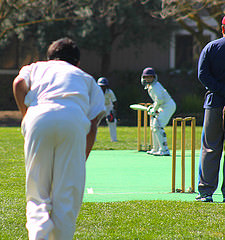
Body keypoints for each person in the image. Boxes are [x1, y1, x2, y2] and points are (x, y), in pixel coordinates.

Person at [13, 37, 106, 240]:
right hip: (73, 121)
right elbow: (93, 121)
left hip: (39, 117)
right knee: (65, 196)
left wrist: (26, 115)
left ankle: (38, 235)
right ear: (77, 62)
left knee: (38, 192)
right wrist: (82, 158)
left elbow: (19, 83)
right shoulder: (85, 77)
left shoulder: (36, 67)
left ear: (50, 58)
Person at [196, 16, 225, 203]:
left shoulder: (211, 47)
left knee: (211, 148)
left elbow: (202, 75)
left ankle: (206, 192)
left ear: (222, 28)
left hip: (214, 103)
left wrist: (220, 89)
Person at [141, 67, 176, 156]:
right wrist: (153, 107)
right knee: (153, 126)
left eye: (150, 77)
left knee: (158, 126)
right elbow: (158, 100)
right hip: (163, 106)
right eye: (146, 77)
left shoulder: (155, 86)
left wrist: (154, 109)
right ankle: (155, 148)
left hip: (168, 106)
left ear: (154, 77)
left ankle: (164, 150)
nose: (148, 79)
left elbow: (159, 100)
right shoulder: (151, 86)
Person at [97, 77, 118, 142]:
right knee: (95, 122)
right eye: (101, 86)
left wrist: (113, 112)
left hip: (108, 106)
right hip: (99, 107)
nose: (102, 88)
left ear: (106, 86)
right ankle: (93, 139)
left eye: (104, 86)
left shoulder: (109, 92)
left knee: (112, 121)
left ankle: (114, 139)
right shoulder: (96, 92)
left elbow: (115, 102)